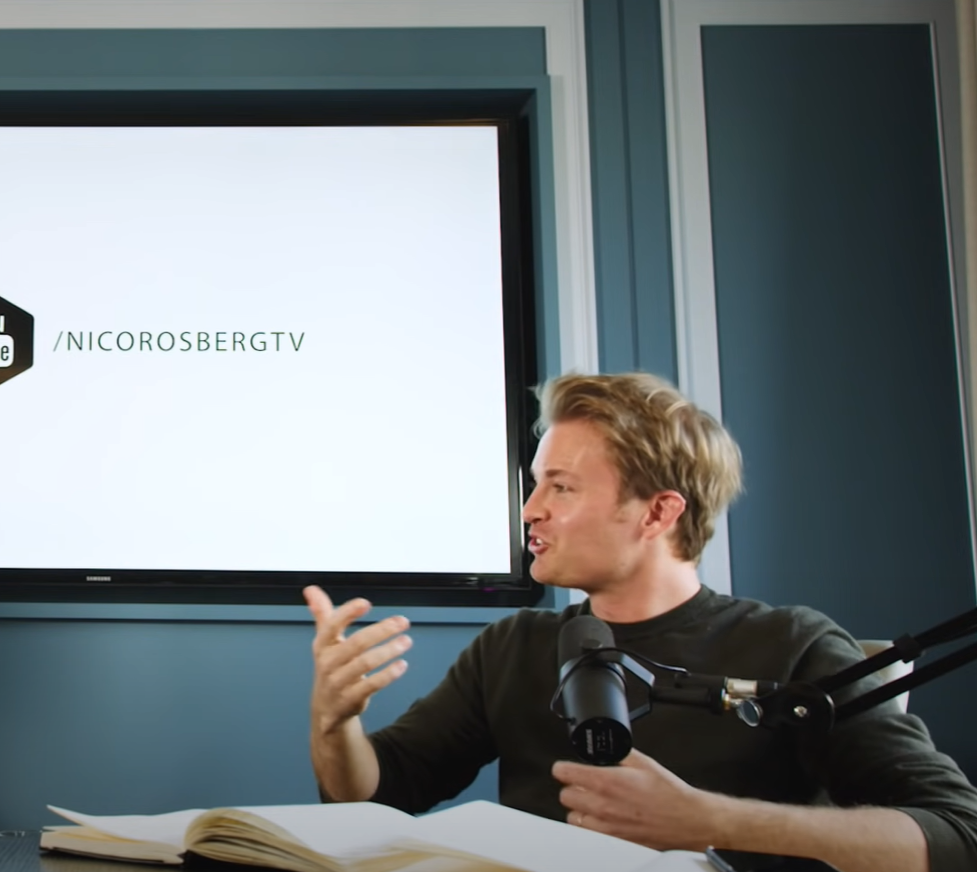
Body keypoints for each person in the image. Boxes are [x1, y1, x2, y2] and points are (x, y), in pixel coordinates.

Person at [306, 372, 977, 872]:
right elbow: (381, 791)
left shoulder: (794, 647)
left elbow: (958, 835)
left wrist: (708, 820)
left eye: (560, 486)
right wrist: (335, 727)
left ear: (658, 512)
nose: (530, 509)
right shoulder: (514, 644)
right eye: (535, 484)